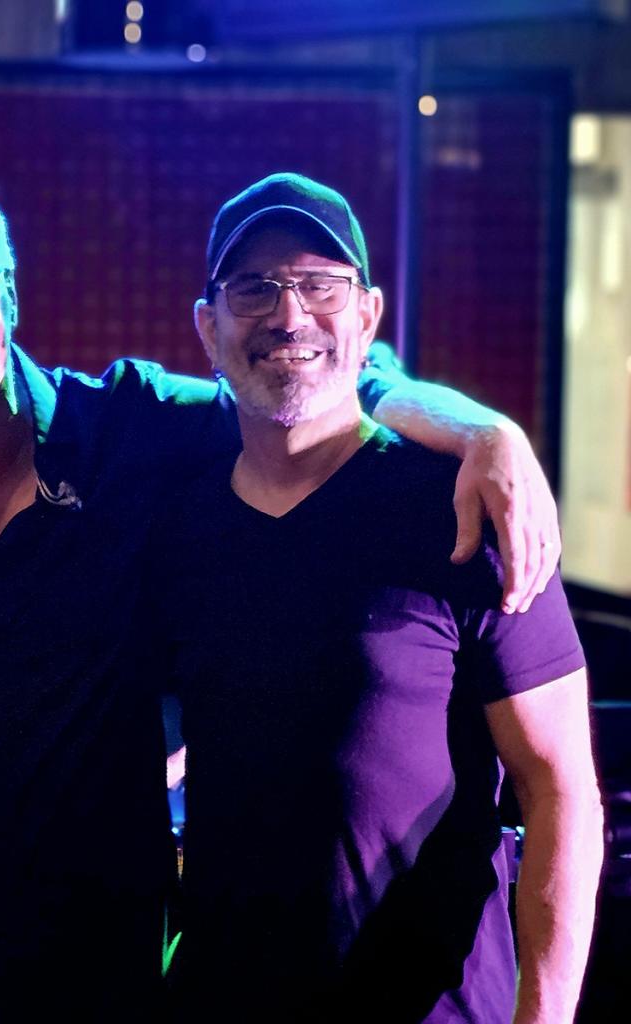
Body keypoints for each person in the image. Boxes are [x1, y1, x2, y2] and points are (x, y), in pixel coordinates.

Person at [0, 153, 566, 1020]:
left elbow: (300, 381)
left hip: (107, 985)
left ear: (6, 295)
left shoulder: (131, 429)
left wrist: (479, 427)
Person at [139, 173, 602, 1022]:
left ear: (368, 316)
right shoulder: (174, 523)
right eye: (255, 289)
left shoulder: (465, 507)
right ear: (207, 328)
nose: (289, 316)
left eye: (321, 286)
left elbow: (561, 789)